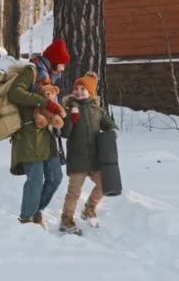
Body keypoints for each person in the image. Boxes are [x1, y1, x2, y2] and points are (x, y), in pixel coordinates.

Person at [7, 38, 70, 228]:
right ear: (53, 60)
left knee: (55, 177)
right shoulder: (31, 71)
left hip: (47, 135)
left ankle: (36, 211)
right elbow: (14, 93)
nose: (63, 69)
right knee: (35, 178)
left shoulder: (49, 79)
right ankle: (27, 219)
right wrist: (44, 103)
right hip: (29, 134)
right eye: (62, 64)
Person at [59, 71, 118, 235]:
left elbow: (109, 125)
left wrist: (112, 131)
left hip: (95, 158)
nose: (78, 91)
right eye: (76, 88)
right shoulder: (69, 110)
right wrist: (71, 117)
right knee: (74, 191)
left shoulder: (97, 111)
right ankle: (66, 220)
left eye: (83, 89)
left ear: (90, 92)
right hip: (78, 159)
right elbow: (65, 133)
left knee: (103, 184)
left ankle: (90, 208)